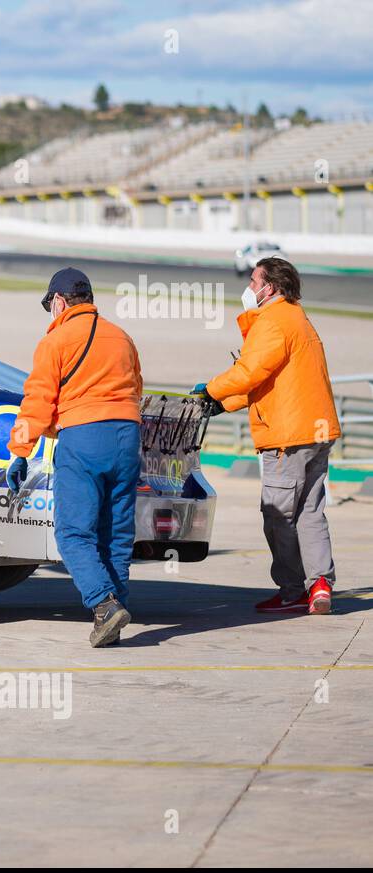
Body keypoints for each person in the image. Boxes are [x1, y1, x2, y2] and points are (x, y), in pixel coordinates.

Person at [193, 257, 340, 615]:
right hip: (315, 430)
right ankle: (320, 584)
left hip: (286, 437)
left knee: (278, 514)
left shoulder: (273, 321)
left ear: (269, 287)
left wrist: (210, 391)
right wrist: (224, 404)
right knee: (310, 510)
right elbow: (267, 381)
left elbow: (249, 370)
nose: (249, 287)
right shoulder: (298, 320)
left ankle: (291, 590)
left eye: (254, 280)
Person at [6, 267, 144, 647]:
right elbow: (137, 387)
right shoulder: (122, 337)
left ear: (60, 302)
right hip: (127, 437)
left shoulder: (56, 341)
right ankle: (115, 613)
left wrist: (20, 451)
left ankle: (102, 605)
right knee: (115, 535)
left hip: (84, 438)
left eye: (50, 304)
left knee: (72, 533)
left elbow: (36, 402)